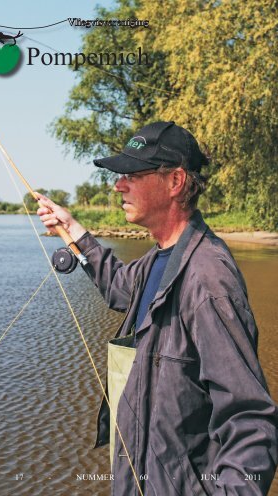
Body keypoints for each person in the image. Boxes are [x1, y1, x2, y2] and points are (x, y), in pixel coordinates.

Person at [36, 121, 278, 495]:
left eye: (131, 174)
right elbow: (119, 286)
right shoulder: (158, 258)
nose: (118, 185)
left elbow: (249, 422)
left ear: (175, 182)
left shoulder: (208, 279)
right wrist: (76, 232)